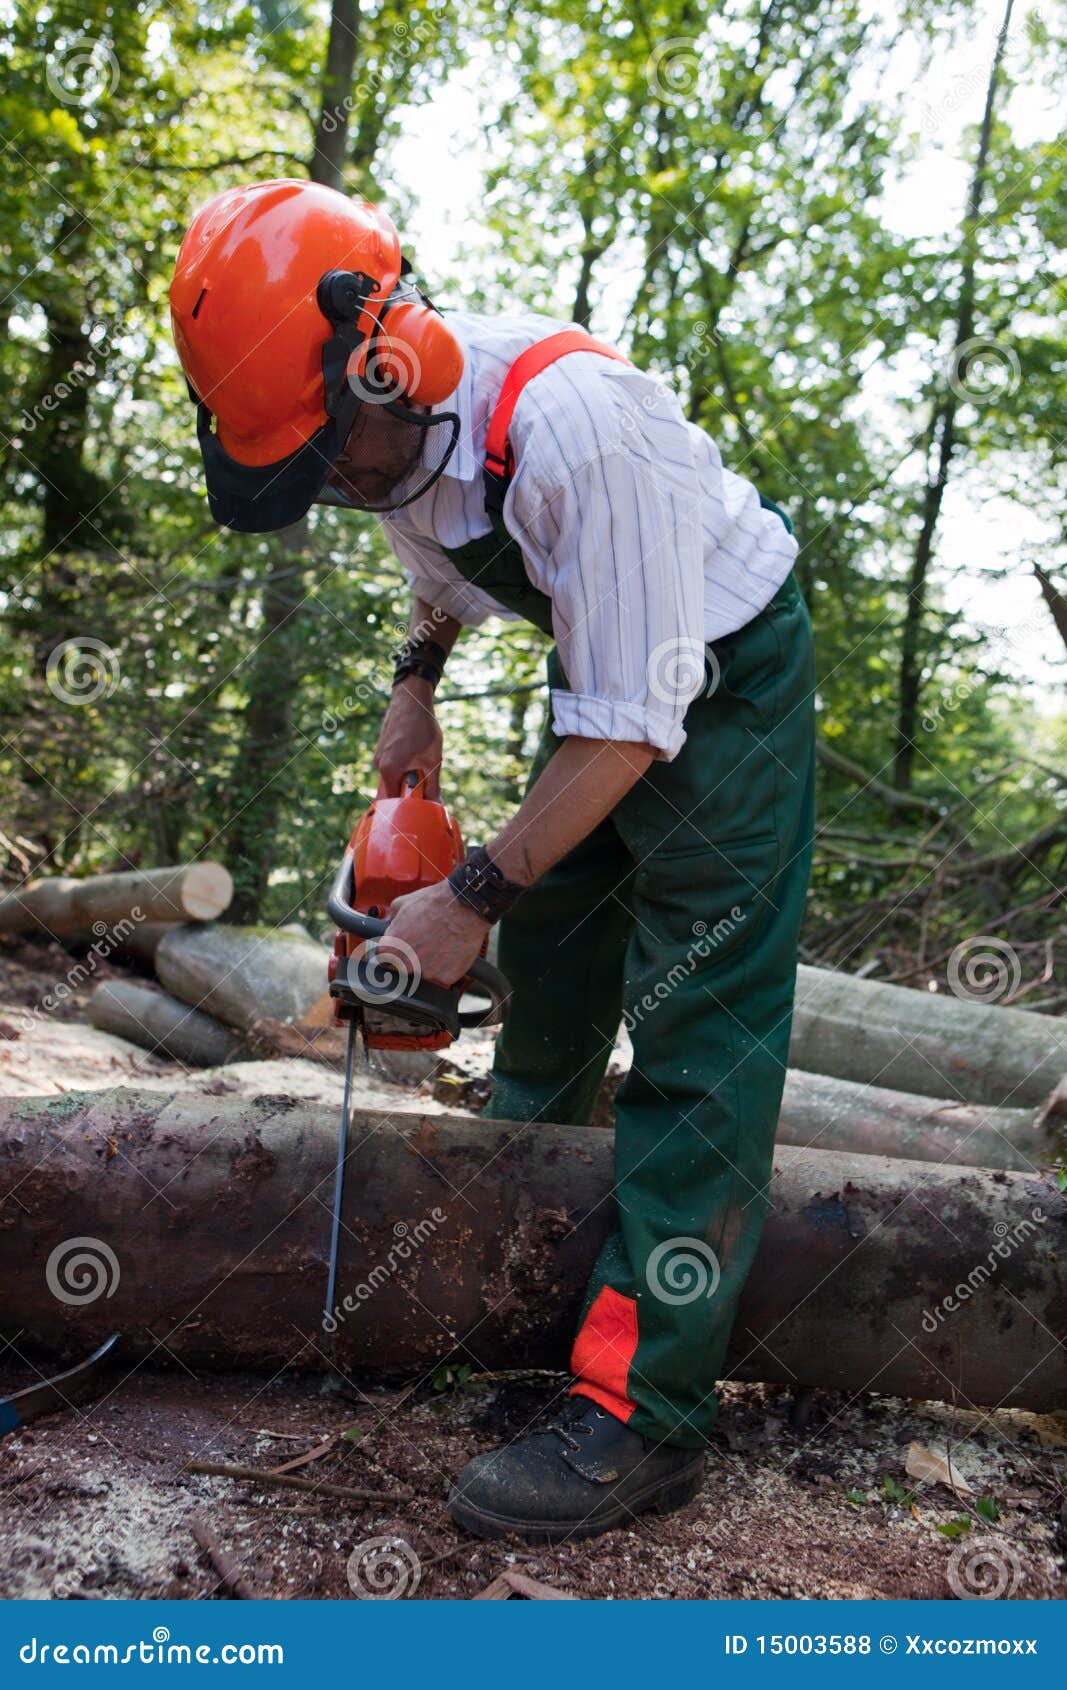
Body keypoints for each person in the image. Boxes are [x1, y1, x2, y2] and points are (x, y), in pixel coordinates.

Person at [170, 179, 816, 1544]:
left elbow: (640, 726)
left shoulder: (577, 434)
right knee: (556, 972)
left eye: (329, 454)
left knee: (697, 1030)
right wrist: (419, 677)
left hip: (722, 685)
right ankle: (518, 1285)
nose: (338, 489)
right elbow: (443, 557)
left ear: (382, 353)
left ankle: (647, 1414)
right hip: (610, 679)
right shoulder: (396, 445)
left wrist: (466, 896)